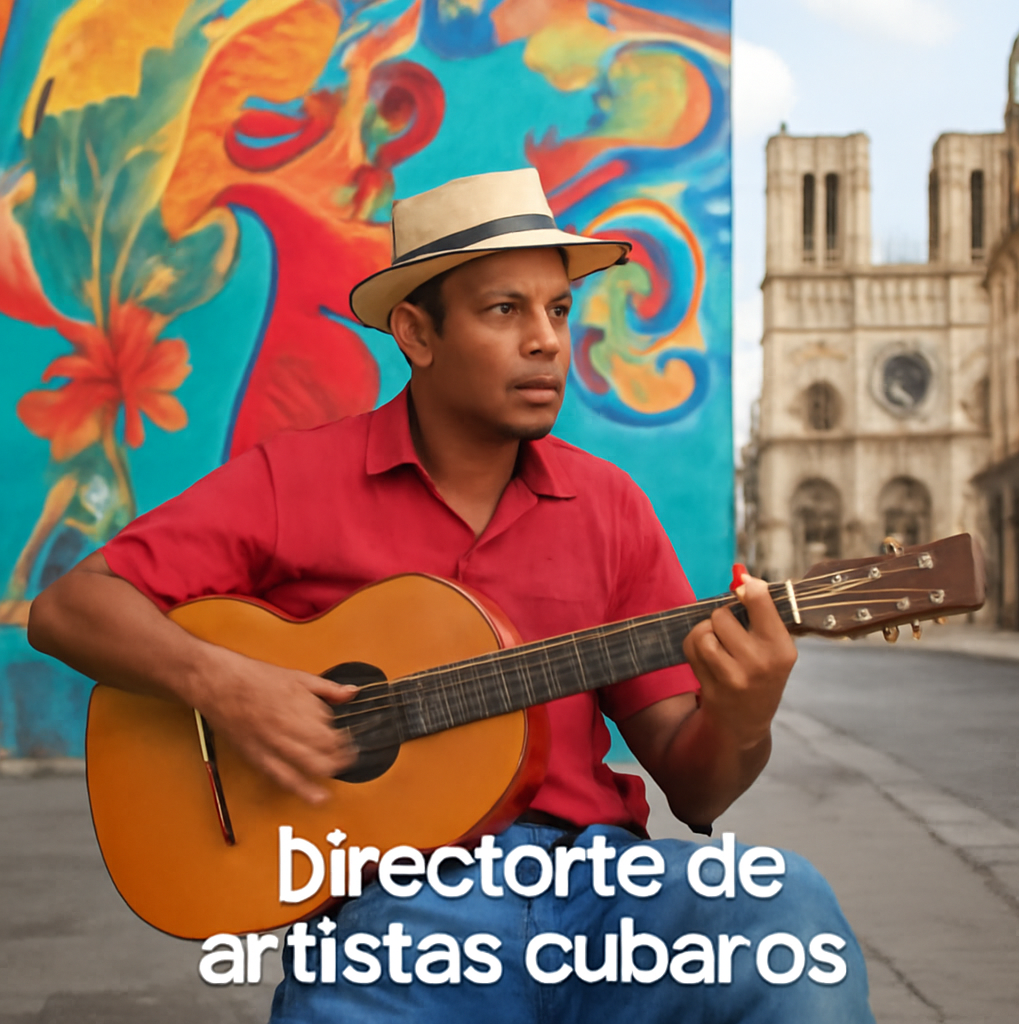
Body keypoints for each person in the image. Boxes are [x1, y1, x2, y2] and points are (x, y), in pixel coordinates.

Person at [28, 168, 873, 1022]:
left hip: (604, 891)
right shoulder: (298, 480)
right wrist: (232, 689)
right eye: (505, 310)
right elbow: (71, 608)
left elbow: (697, 789)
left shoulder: (609, 506)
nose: (546, 340)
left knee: (787, 910)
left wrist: (745, 712)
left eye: (559, 310)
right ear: (417, 333)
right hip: (395, 910)